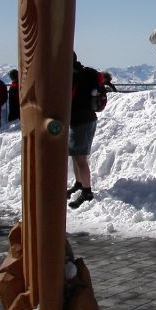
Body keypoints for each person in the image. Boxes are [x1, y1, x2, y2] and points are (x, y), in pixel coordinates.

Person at [67, 53, 105, 209]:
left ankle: (87, 191)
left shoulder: (72, 76)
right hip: (88, 117)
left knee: (80, 157)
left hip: (80, 120)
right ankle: (79, 183)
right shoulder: (88, 73)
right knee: (76, 155)